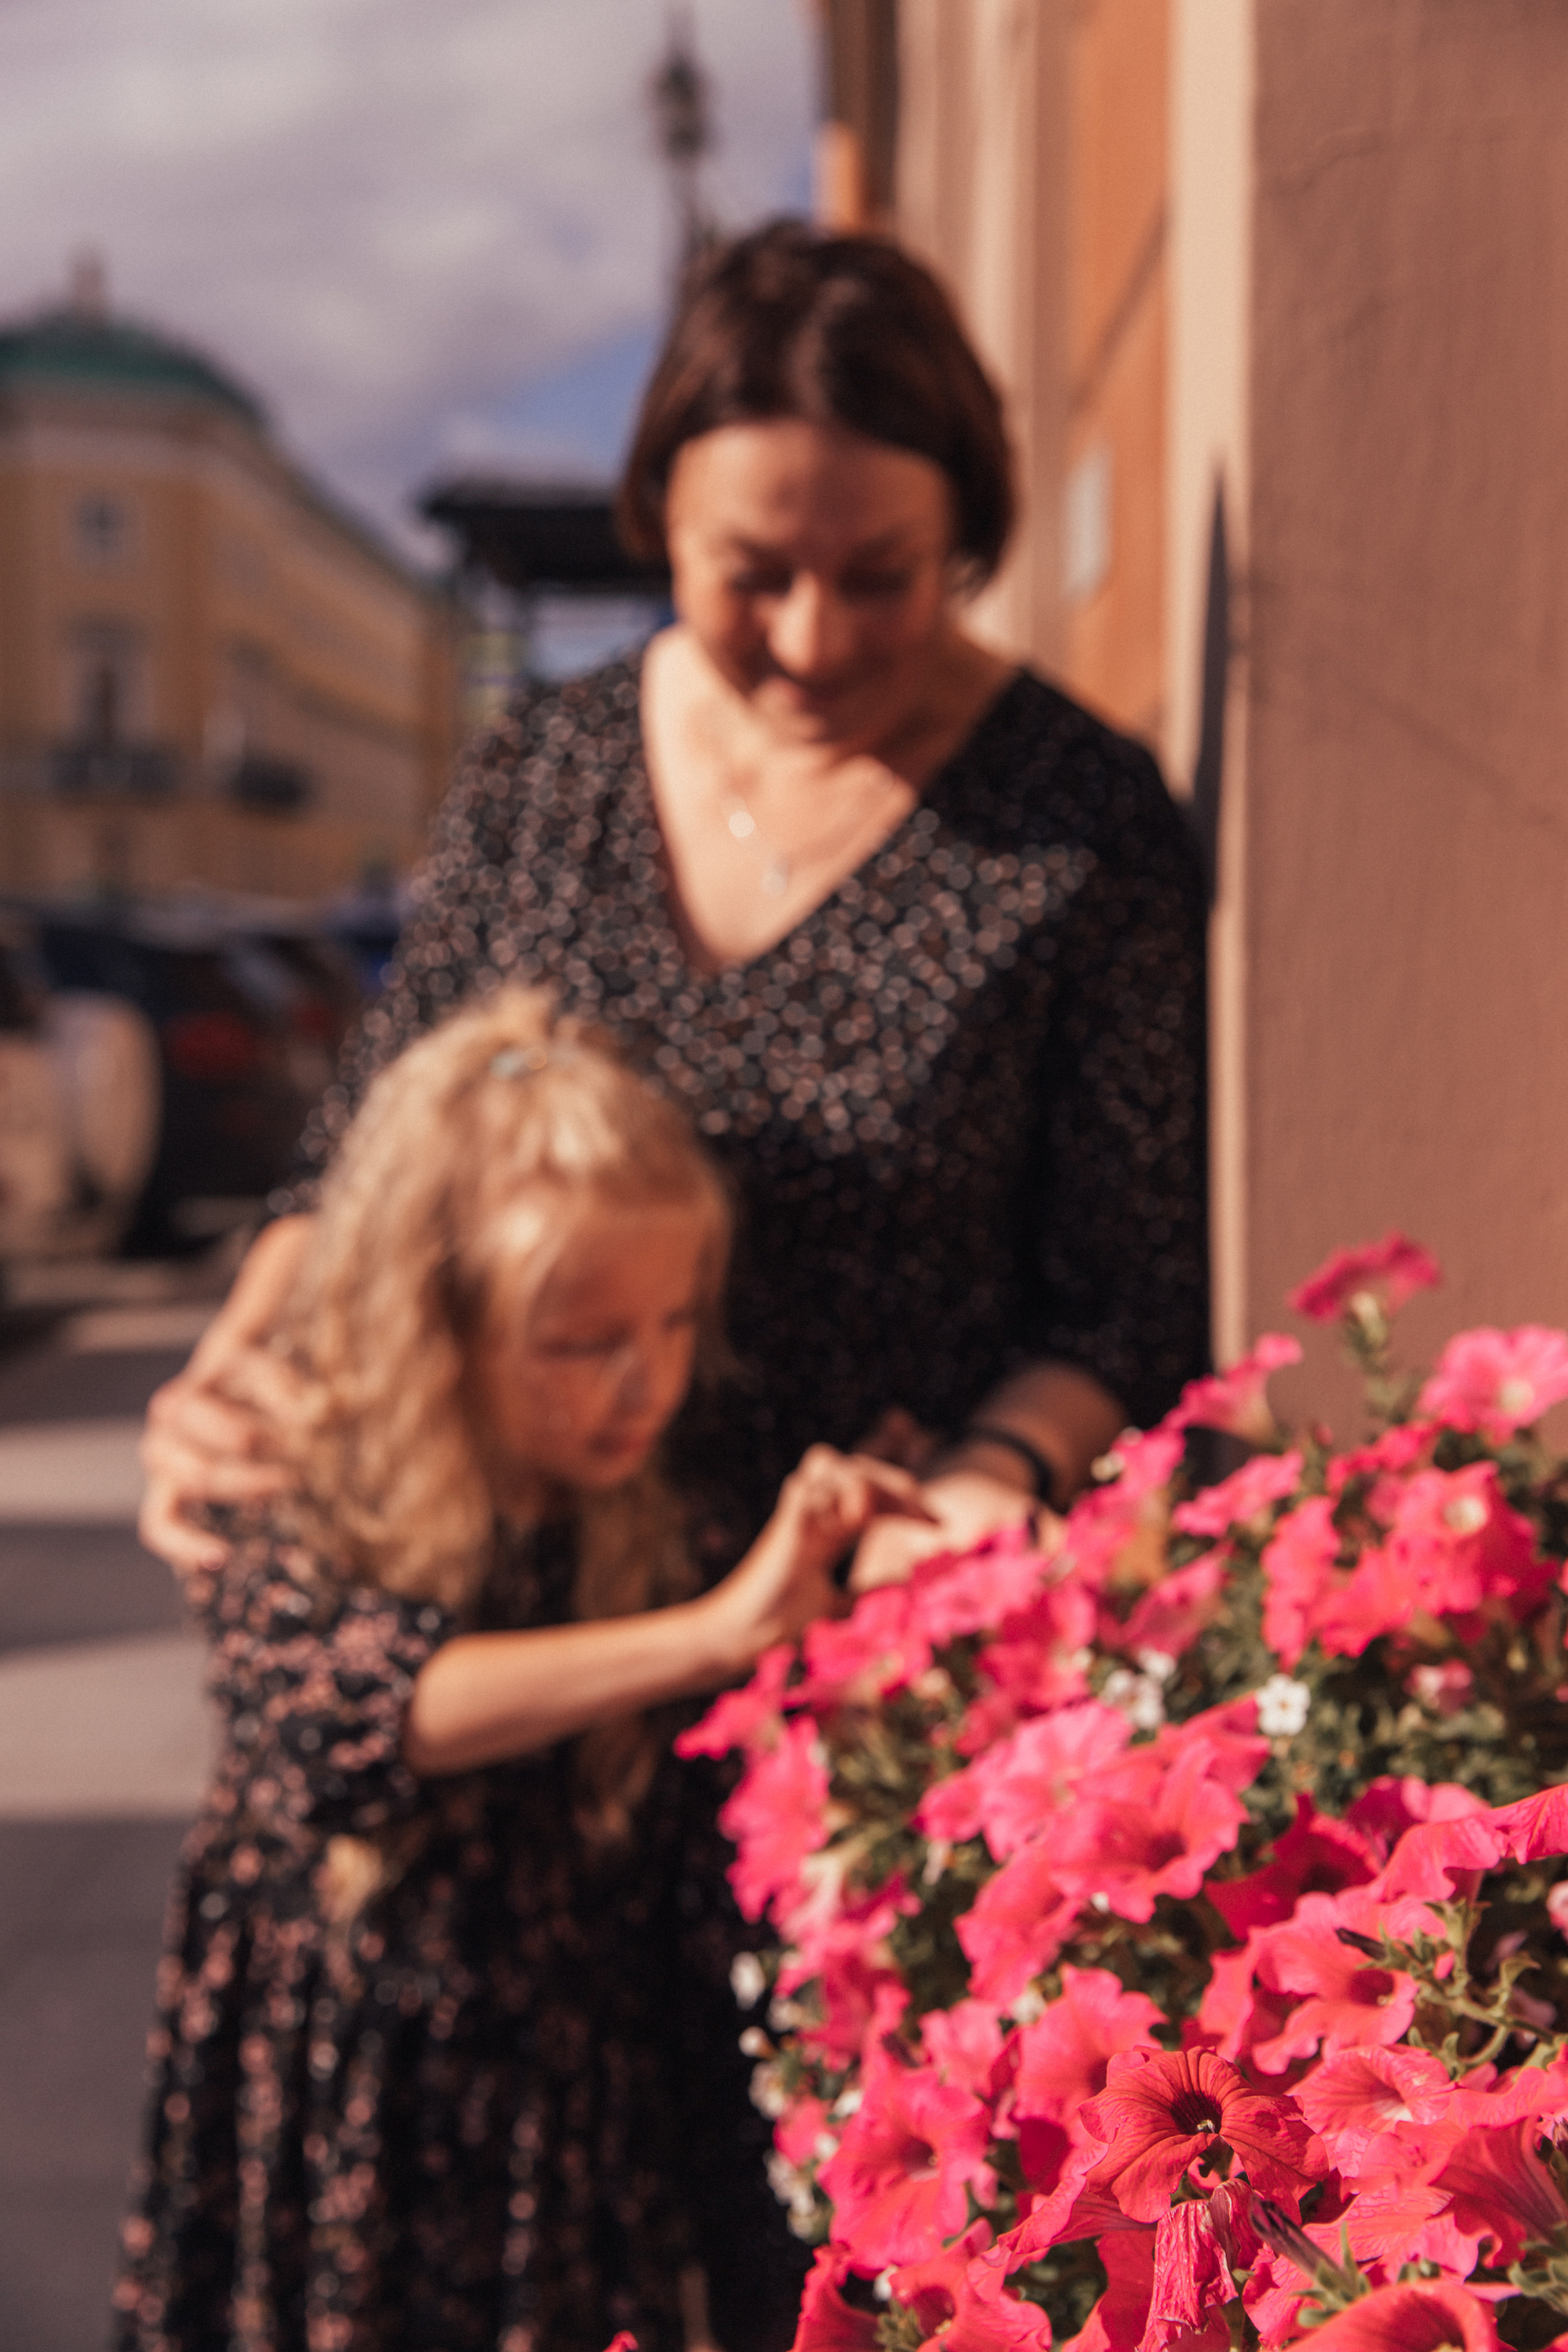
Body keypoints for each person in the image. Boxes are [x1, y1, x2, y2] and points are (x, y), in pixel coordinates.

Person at [139, 219, 1210, 1600]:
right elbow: (369, 1149)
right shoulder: (547, 770)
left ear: (967, 531)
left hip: (859, 1639)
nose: (812, 639)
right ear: (660, 521)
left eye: (880, 576)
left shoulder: (1075, 815)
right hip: (519, 1618)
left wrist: (984, 1482)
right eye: (750, 575)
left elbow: (1129, 1295)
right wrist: (237, 1367)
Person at [114, 989, 927, 2352]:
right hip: (348, 2081)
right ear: (436, 1321)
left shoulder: (655, 1491)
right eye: (584, 1344)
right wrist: (715, 1630)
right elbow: (347, 1718)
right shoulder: (288, 1465)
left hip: (563, 2099)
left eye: (675, 1323)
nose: (646, 1383)